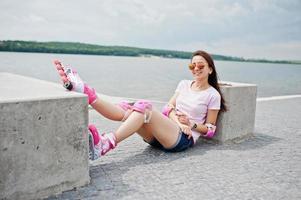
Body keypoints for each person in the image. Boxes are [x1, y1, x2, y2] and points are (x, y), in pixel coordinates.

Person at [54, 50, 227, 160]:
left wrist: (191, 124)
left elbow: (211, 130)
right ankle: (86, 92)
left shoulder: (212, 95)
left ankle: (105, 144)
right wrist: (179, 120)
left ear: (210, 69)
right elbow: (168, 108)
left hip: (181, 140)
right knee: (131, 109)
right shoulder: (183, 84)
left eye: (200, 66)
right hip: (161, 135)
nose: (195, 69)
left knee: (145, 108)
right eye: (192, 65)